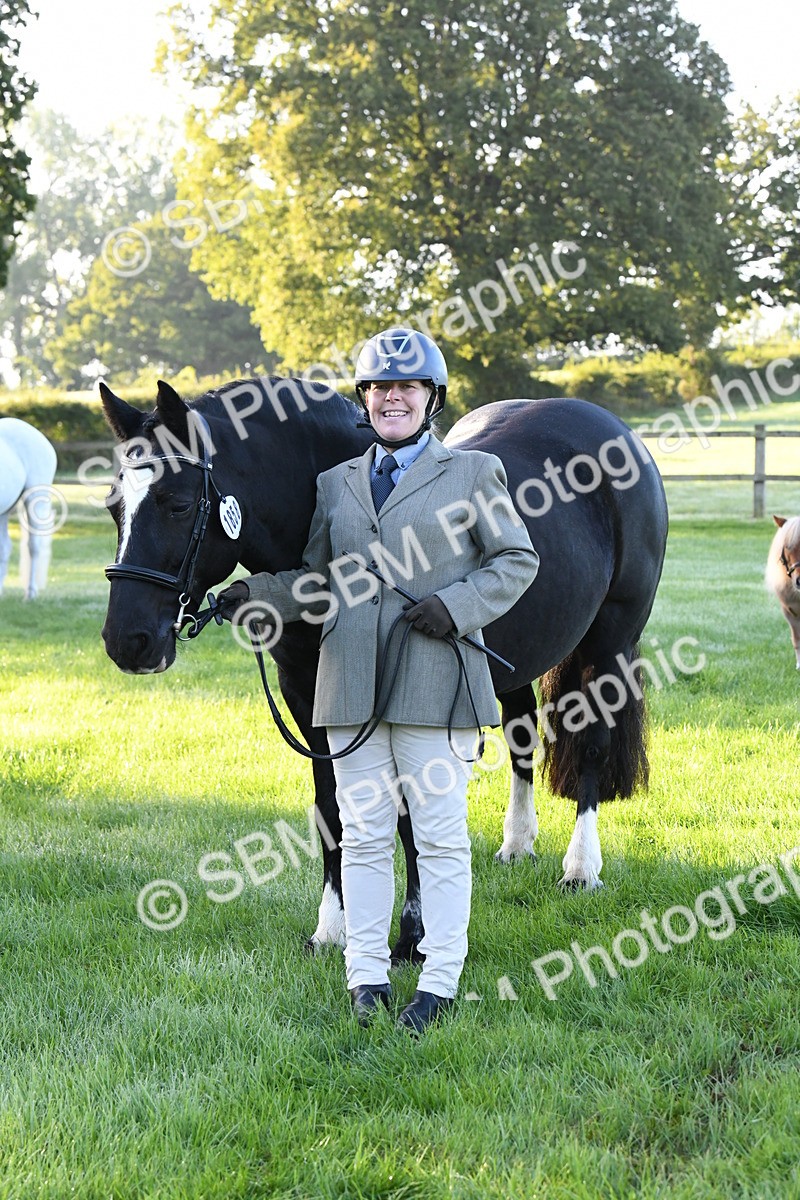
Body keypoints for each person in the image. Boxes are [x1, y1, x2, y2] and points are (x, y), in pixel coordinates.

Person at [217, 327, 539, 1034]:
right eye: (380, 388)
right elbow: (319, 580)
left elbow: (517, 560)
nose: (393, 398)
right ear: (364, 399)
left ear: (432, 398)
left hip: (437, 679)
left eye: (408, 386)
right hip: (350, 684)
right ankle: (365, 977)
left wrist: (457, 606)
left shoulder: (473, 473)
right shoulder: (335, 484)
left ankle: (440, 980)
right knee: (361, 836)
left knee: (440, 836)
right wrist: (258, 595)